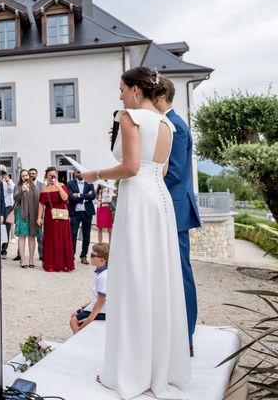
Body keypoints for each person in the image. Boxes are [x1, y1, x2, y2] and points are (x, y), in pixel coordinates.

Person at [81, 66, 189, 398]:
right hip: (160, 201)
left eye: (122, 89)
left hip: (137, 200)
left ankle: (131, 369)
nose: (120, 95)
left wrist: (94, 173)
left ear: (136, 91)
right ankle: (159, 367)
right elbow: (164, 168)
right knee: (159, 278)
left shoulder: (130, 117)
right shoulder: (168, 124)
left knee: (133, 278)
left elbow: (129, 167)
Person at [156, 77, 201, 356]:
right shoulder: (167, 125)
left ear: (160, 94)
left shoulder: (177, 127)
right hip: (168, 205)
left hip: (175, 207)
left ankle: (187, 336)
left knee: (182, 273)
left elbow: (173, 173)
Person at [37, 167, 74, 272]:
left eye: (54, 175)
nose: (52, 177)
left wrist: (59, 187)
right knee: (51, 239)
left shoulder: (62, 185)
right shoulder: (44, 188)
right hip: (50, 216)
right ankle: (52, 264)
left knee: (62, 238)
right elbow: (41, 204)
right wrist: (39, 218)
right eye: (50, 175)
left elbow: (65, 198)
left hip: (62, 215)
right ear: (46, 177)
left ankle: (64, 264)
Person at [70, 243, 109, 334]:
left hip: (103, 310)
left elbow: (101, 301)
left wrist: (90, 319)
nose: (90, 257)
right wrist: (88, 304)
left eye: (92, 255)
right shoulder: (101, 272)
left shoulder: (103, 277)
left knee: (73, 321)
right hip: (99, 306)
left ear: (102, 260)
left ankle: (79, 343)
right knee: (74, 315)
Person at [67, 170, 96, 264]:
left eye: (81, 172)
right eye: (78, 172)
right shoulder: (70, 183)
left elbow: (93, 196)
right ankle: (71, 256)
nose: (79, 174)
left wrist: (79, 195)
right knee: (73, 234)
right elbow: (70, 197)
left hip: (87, 212)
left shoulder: (89, 182)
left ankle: (83, 256)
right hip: (74, 213)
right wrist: (85, 197)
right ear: (75, 173)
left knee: (86, 235)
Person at [13, 169, 40, 268]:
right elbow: (15, 198)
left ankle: (31, 259)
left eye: (26, 175)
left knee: (32, 236)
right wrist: (22, 190)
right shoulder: (17, 186)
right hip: (22, 214)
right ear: (20, 177)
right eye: (22, 175)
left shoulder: (34, 186)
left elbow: (38, 199)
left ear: (29, 176)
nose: (25, 177)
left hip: (32, 214)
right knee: (22, 236)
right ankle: (23, 259)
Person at [0, 167, 15, 259]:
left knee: (7, 229)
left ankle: (4, 250)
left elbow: (13, 189)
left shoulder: (8, 182)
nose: (2, 174)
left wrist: (7, 179)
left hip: (8, 208)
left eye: (3, 172)